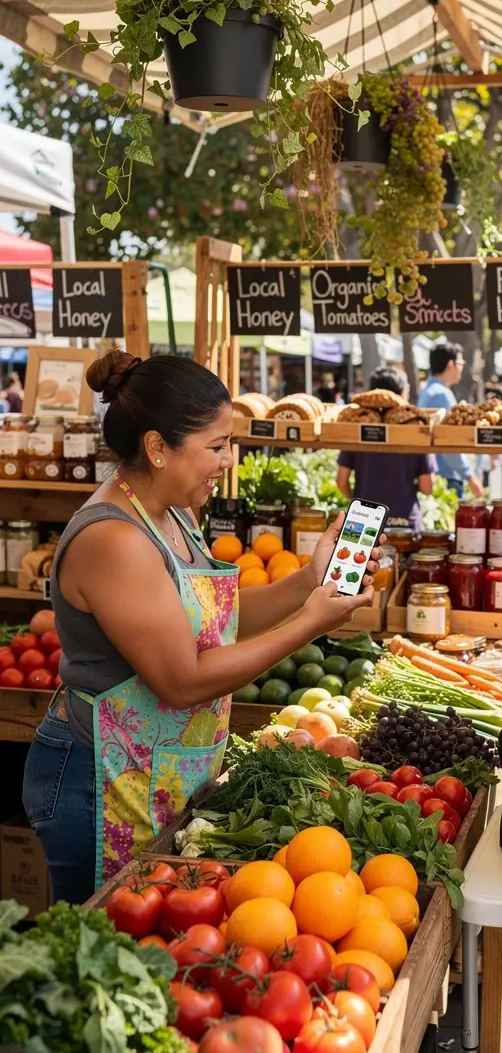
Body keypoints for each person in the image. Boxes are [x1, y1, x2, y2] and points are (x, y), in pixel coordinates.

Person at [22, 350, 379, 905]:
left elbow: (220, 622)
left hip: (150, 771)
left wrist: (309, 581)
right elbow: (182, 680)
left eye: (229, 443)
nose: (228, 461)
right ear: (158, 448)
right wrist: (310, 624)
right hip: (99, 781)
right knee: (104, 957)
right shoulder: (114, 540)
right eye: (216, 446)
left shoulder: (172, 514)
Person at [337, 366, 435, 529]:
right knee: (408, 556)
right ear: (403, 394)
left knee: (361, 555)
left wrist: (357, 499)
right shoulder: (416, 429)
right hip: (405, 522)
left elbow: (341, 481)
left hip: (363, 520)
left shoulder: (358, 428)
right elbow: (427, 486)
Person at [418, 341, 483, 497]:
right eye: (460, 363)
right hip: (446, 477)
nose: (462, 368)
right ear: (451, 364)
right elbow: (448, 441)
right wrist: (470, 476)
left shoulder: (428, 390)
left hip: (436, 474)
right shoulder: (441, 395)